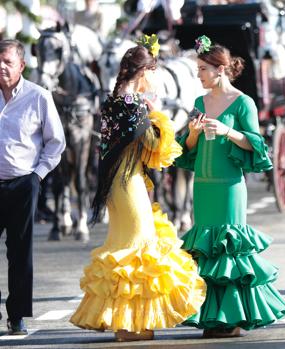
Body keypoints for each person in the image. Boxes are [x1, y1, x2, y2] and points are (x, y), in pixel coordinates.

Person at [69, 35, 206, 342]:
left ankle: (127, 323)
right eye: (153, 74)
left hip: (115, 184)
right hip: (130, 184)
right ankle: (130, 326)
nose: (153, 82)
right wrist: (161, 118)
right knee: (138, 252)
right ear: (143, 73)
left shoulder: (112, 101)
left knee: (124, 251)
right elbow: (156, 146)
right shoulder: (134, 105)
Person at [175, 35, 285, 338]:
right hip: (203, 184)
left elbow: (256, 144)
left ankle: (234, 319)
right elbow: (186, 147)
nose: (198, 75)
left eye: (202, 69)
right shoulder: (199, 103)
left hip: (229, 186)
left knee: (229, 247)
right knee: (207, 251)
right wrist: (194, 134)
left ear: (220, 70)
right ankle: (212, 319)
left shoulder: (243, 102)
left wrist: (228, 130)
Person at [0, 39, 65, 335]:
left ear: (21, 65)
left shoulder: (38, 96)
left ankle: (17, 316)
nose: (1, 67)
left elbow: (56, 142)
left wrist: (37, 176)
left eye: (7, 62)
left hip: (23, 184)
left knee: (20, 252)